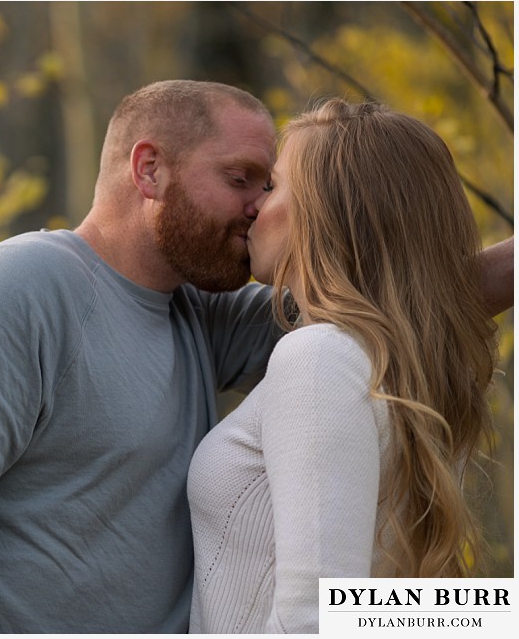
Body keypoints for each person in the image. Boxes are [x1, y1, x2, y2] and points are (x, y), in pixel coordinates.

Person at [0, 81, 512, 633]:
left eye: (269, 183)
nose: (257, 205)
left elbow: (399, 300)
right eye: (240, 179)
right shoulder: (22, 286)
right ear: (149, 169)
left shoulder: (202, 315)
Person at [187, 99, 509, 634]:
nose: (254, 207)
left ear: (328, 213)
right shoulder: (398, 359)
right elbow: (372, 608)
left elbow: (312, 619)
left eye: (272, 187)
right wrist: (496, 616)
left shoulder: (318, 358)